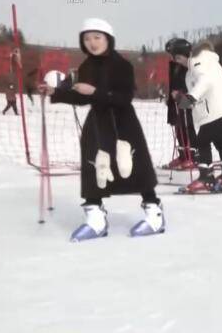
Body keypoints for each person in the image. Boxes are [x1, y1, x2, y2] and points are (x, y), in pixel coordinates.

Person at [39, 18, 163, 241]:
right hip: (97, 123)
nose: (92, 43)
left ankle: (154, 213)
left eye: (97, 37)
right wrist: (54, 93)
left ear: (108, 39)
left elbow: (124, 98)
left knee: (134, 166)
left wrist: (94, 91)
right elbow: (80, 97)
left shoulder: (123, 65)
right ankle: (95, 216)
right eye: (87, 38)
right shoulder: (86, 66)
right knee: (93, 166)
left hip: (123, 123)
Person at [177, 41, 222, 192]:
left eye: (178, 59)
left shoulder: (197, 61)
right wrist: (188, 100)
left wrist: (190, 97)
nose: (178, 62)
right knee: (220, 140)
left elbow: (205, 82)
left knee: (202, 141)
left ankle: (206, 178)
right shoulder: (208, 62)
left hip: (216, 110)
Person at [164, 38, 197, 170]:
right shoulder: (175, 66)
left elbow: (194, 85)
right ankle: (183, 155)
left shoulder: (192, 66)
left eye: (176, 56)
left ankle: (193, 157)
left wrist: (182, 96)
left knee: (188, 128)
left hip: (187, 102)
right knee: (179, 128)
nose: (173, 58)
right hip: (176, 103)